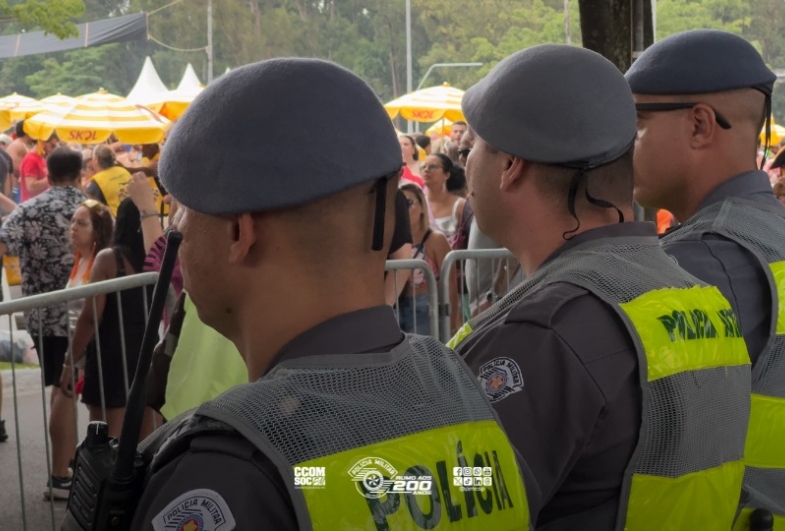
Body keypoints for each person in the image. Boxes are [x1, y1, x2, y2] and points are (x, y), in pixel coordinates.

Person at [128, 58, 532, 530]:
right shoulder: (465, 389)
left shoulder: (229, 473)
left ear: (240, 233)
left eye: (181, 212)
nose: (176, 230)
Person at [450, 44, 751, 529]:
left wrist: (310, 480)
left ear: (512, 166)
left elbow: (450, 499)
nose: (467, 167)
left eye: (474, 149)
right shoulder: (696, 296)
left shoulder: (546, 333)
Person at [626, 29, 785, 525]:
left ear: (699, 125)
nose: (623, 146)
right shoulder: (772, 236)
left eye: (638, 124)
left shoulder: (697, 264)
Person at [0, 147, 85, 499]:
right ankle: (74, 468)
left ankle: (61, 470)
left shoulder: (30, 210)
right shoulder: (92, 210)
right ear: (80, 174)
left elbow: (3, 242)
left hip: (43, 313)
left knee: (59, 388)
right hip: (87, 311)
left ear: (47, 175)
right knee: (88, 394)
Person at [62, 199, 150, 439]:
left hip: (110, 357)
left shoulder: (110, 258)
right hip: (147, 354)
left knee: (105, 441)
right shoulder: (157, 261)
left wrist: (70, 362)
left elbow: (90, 317)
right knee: (145, 440)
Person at [398, 183, 455, 336]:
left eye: (409, 203)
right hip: (397, 306)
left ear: (422, 207)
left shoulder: (435, 239)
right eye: (398, 205)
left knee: (425, 357)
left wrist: (454, 321)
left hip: (426, 307)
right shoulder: (392, 241)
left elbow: (450, 282)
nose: (403, 209)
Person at [422, 153, 466, 239]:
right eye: (424, 167)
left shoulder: (461, 206)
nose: (426, 170)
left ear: (446, 175)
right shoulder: (418, 203)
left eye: (433, 167)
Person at [19, 134, 58, 202]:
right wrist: (51, 177)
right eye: (52, 146)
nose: (53, 150)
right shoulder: (31, 159)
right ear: (43, 143)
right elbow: (31, 187)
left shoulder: (41, 158)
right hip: (32, 206)